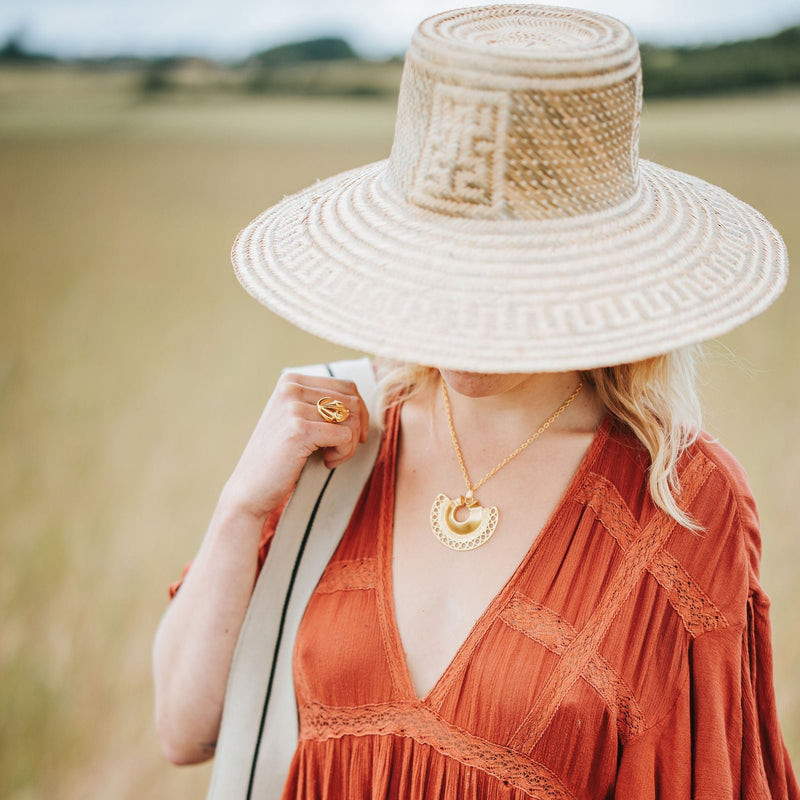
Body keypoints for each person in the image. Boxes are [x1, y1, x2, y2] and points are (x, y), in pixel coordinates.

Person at [152, 5, 798, 799]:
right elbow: (185, 730)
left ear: (601, 269)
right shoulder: (334, 444)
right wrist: (243, 508)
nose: (468, 314)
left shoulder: (687, 502)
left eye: (510, 271)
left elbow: (709, 779)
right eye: (446, 261)